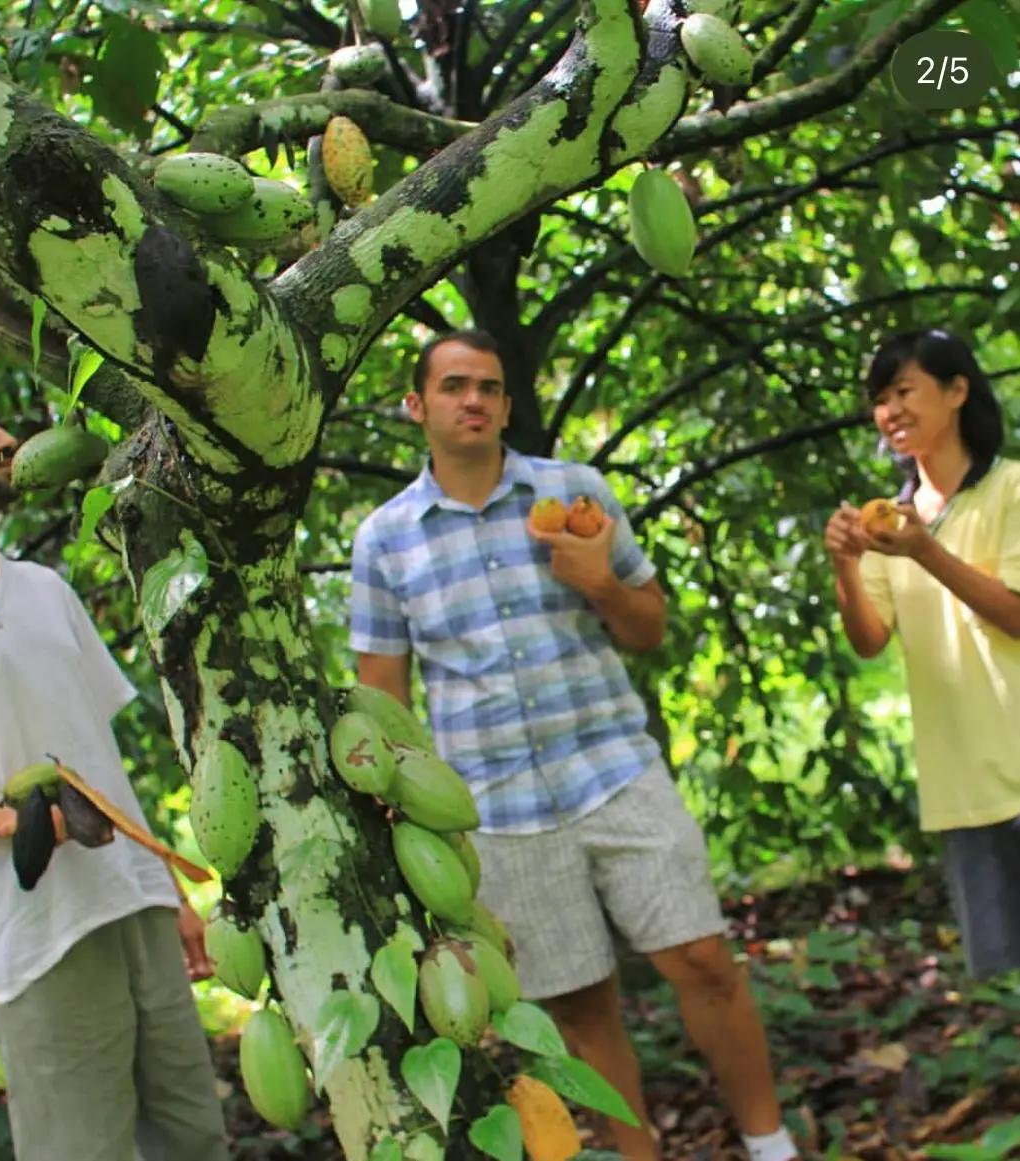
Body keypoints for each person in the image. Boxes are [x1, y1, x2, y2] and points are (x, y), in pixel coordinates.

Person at [348, 330, 798, 1161]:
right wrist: (400, 812)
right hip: (496, 808)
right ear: (417, 406)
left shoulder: (575, 493)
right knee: (580, 1009)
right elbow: (383, 690)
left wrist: (599, 581)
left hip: (613, 769)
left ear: (507, 406)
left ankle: (771, 1144)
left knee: (701, 958)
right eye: (453, 385)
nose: (473, 399)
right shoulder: (385, 538)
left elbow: (649, 626)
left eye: (488, 386)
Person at [0, 384, 229, 1161]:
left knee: (193, 1137)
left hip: (129, 901)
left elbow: (96, 755)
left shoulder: (44, 591)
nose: (4, 437)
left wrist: (160, 880)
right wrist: (20, 821)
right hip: (34, 933)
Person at [825, 328, 1020, 981]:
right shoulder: (892, 521)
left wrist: (925, 552)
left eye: (903, 389)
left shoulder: (1010, 490)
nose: (890, 411)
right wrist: (845, 564)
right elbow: (868, 637)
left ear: (957, 390)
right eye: (880, 398)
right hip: (962, 786)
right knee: (1005, 981)